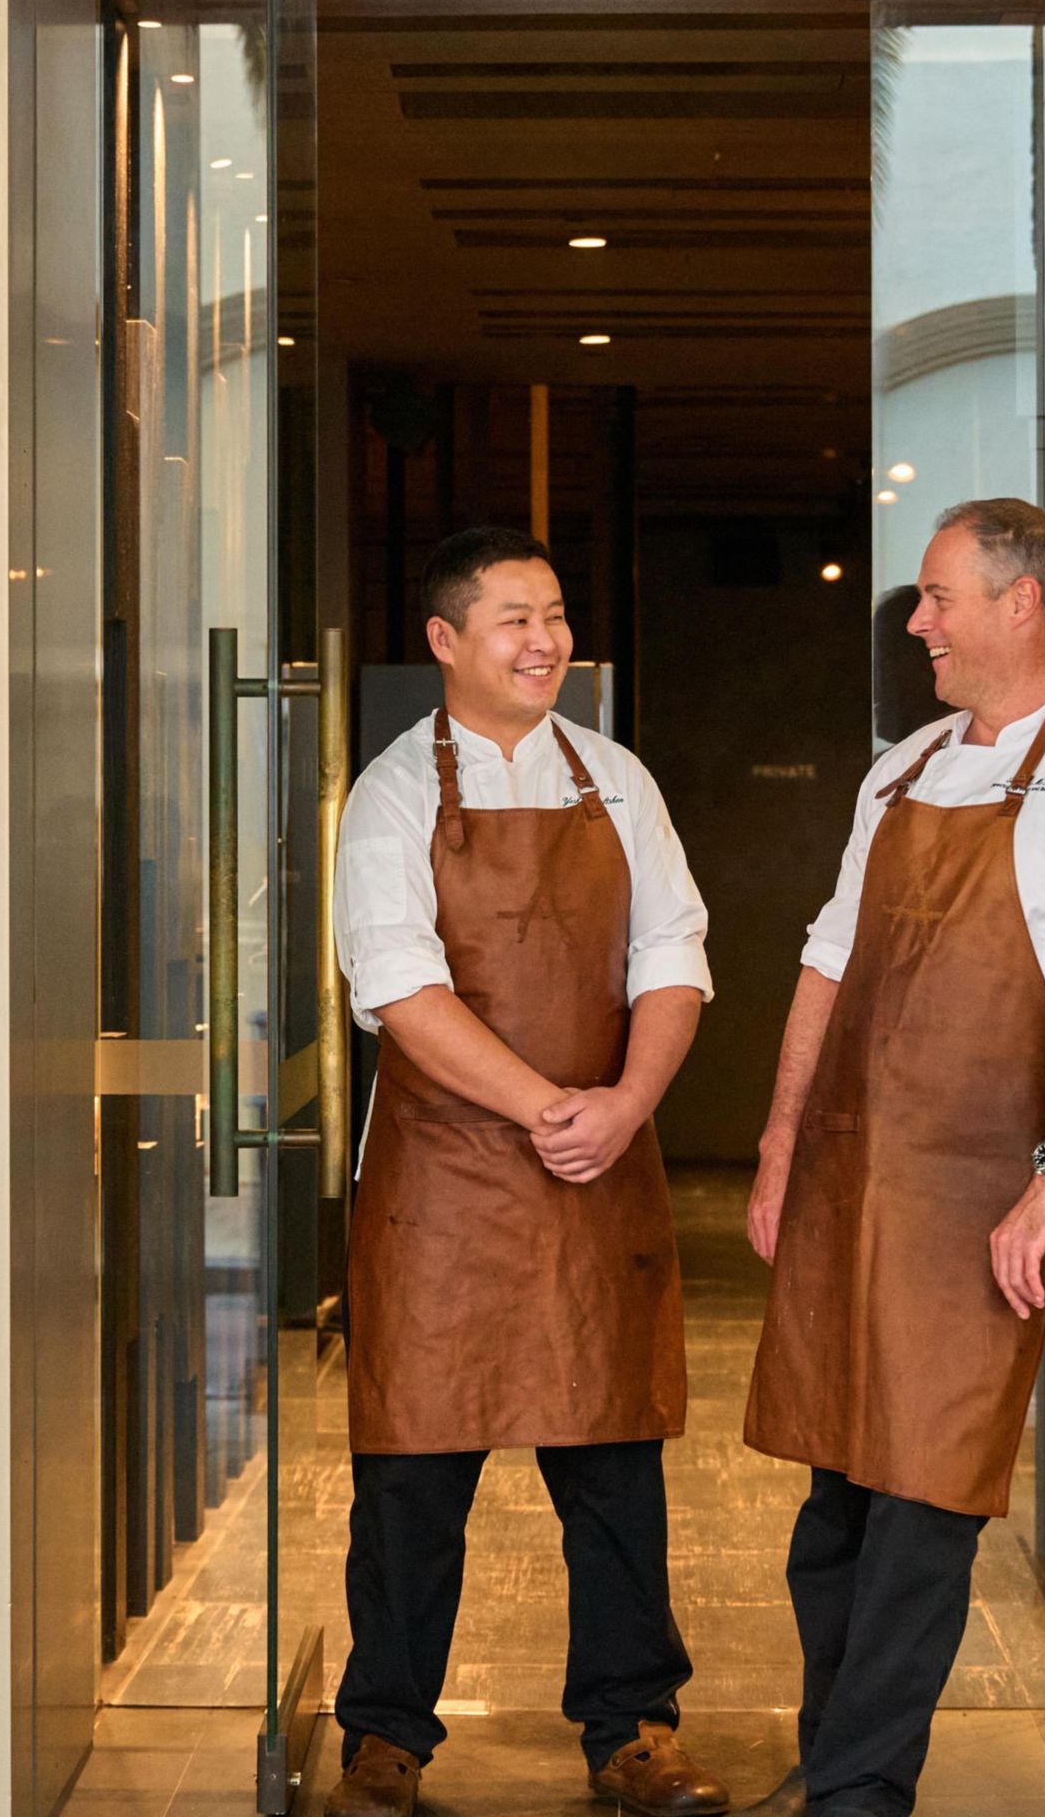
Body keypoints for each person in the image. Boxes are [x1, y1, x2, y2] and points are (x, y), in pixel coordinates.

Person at [745, 499, 1045, 1817]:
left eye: (937, 597)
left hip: (983, 1183)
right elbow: (830, 958)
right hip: (850, 1172)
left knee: (922, 1515)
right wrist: (776, 1139)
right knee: (835, 1514)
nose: (917, 622)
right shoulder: (905, 768)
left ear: (1020, 604)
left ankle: (860, 1794)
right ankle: (838, 1763)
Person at [321, 526, 732, 1817]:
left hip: (598, 1168)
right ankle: (384, 1731)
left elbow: (676, 956)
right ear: (446, 642)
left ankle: (634, 1729)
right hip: (440, 1185)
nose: (543, 639)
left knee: (613, 1461)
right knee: (412, 1474)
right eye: (513, 618)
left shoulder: (617, 782)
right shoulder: (389, 793)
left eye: (552, 614)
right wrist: (553, 1103)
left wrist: (626, 1105)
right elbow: (396, 985)